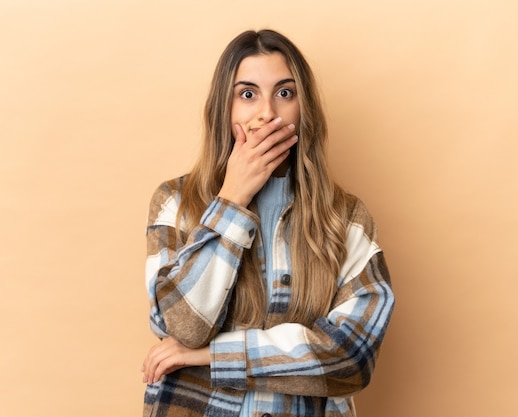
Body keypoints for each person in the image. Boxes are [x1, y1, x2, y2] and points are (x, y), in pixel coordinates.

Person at [140, 29, 395, 417]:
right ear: (223, 110)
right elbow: (183, 327)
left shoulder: (346, 218)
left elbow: (351, 357)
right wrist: (232, 199)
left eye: (284, 93)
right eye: (247, 94)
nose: (267, 113)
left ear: (302, 108)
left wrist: (210, 356)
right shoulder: (176, 203)